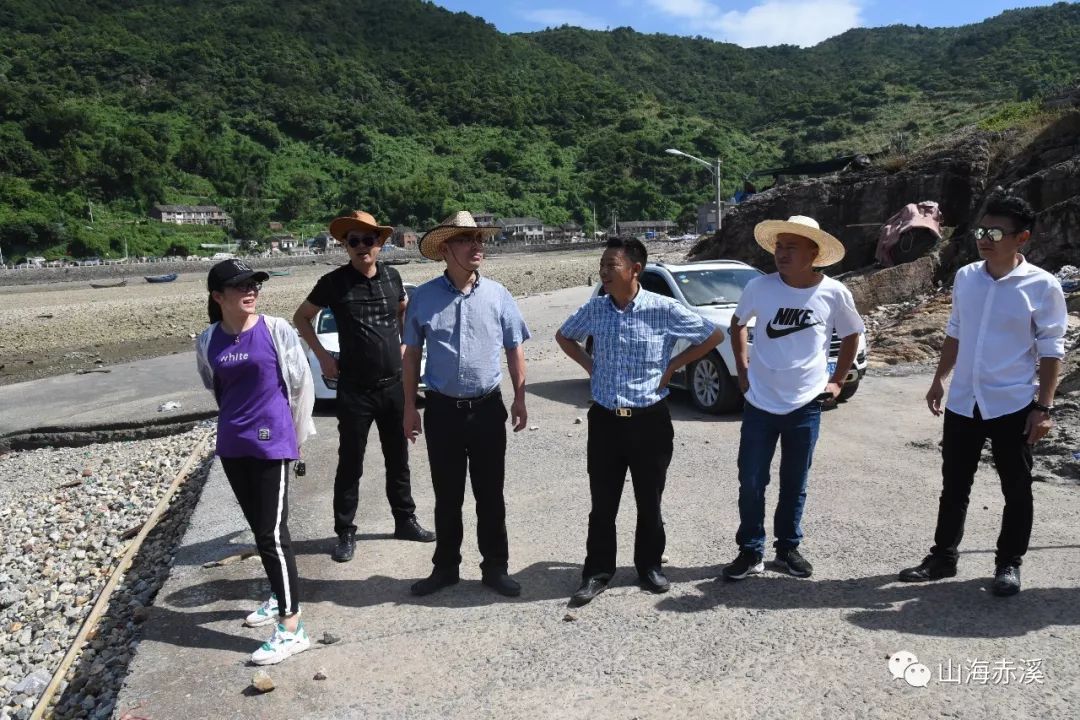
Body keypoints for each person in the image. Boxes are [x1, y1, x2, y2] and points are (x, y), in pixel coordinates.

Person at [898, 196, 1068, 596]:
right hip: (964, 401)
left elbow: (1051, 350)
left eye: (995, 233)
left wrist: (1043, 408)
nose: (984, 240)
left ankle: (1008, 564)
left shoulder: (1043, 286)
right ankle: (942, 557)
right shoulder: (967, 277)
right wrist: (940, 378)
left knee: (1016, 488)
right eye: (981, 231)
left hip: (1012, 403)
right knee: (954, 485)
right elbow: (955, 330)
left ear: (1021, 237)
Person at [556, 238, 724, 606]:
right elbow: (564, 336)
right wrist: (590, 365)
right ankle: (597, 572)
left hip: (650, 420)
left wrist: (673, 367)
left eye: (611, 264)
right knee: (603, 503)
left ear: (635, 269)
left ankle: (649, 566)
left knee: (650, 499)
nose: (603, 270)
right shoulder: (596, 308)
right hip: (605, 420)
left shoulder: (663, 308)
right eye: (601, 264)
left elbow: (713, 334)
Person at [723, 215, 864, 581]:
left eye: (791, 247)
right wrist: (742, 369)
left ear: (814, 253)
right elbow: (737, 324)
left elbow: (852, 335)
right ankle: (750, 551)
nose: (782, 254)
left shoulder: (834, 292)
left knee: (794, 481)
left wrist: (837, 380)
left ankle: (787, 549)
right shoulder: (760, 287)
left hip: (805, 404)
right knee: (751, 479)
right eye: (779, 246)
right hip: (759, 402)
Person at [294, 210, 434, 565]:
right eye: (353, 241)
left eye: (367, 240)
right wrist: (323, 356)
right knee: (350, 463)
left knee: (398, 459)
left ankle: (405, 521)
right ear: (345, 246)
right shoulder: (333, 282)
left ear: (379, 243)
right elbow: (301, 317)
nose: (361, 247)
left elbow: (403, 310)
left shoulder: (393, 278)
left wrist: (405, 345)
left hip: (393, 386)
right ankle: (344, 531)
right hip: (354, 390)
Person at [402, 211, 530, 597]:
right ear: (445, 249)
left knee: (491, 495)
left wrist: (520, 396)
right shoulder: (422, 298)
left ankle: (495, 568)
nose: (477, 246)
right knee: (447, 496)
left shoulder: (498, 294)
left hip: (488, 409)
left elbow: (514, 347)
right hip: (442, 411)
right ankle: (445, 569)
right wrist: (409, 406)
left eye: (479, 238)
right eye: (465, 239)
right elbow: (411, 355)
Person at [195, 259, 315, 665]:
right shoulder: (207, 340)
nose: (251, 290)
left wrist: (294, 438)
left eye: (254, 284)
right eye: (240, 285)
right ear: (217, 296)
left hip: (273, 444)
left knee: (272, 534)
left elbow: (300, 386)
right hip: (232, 445)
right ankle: (277, 595)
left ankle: (291, 627)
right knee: (259, 529)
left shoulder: (276, 330)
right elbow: (217, 388)